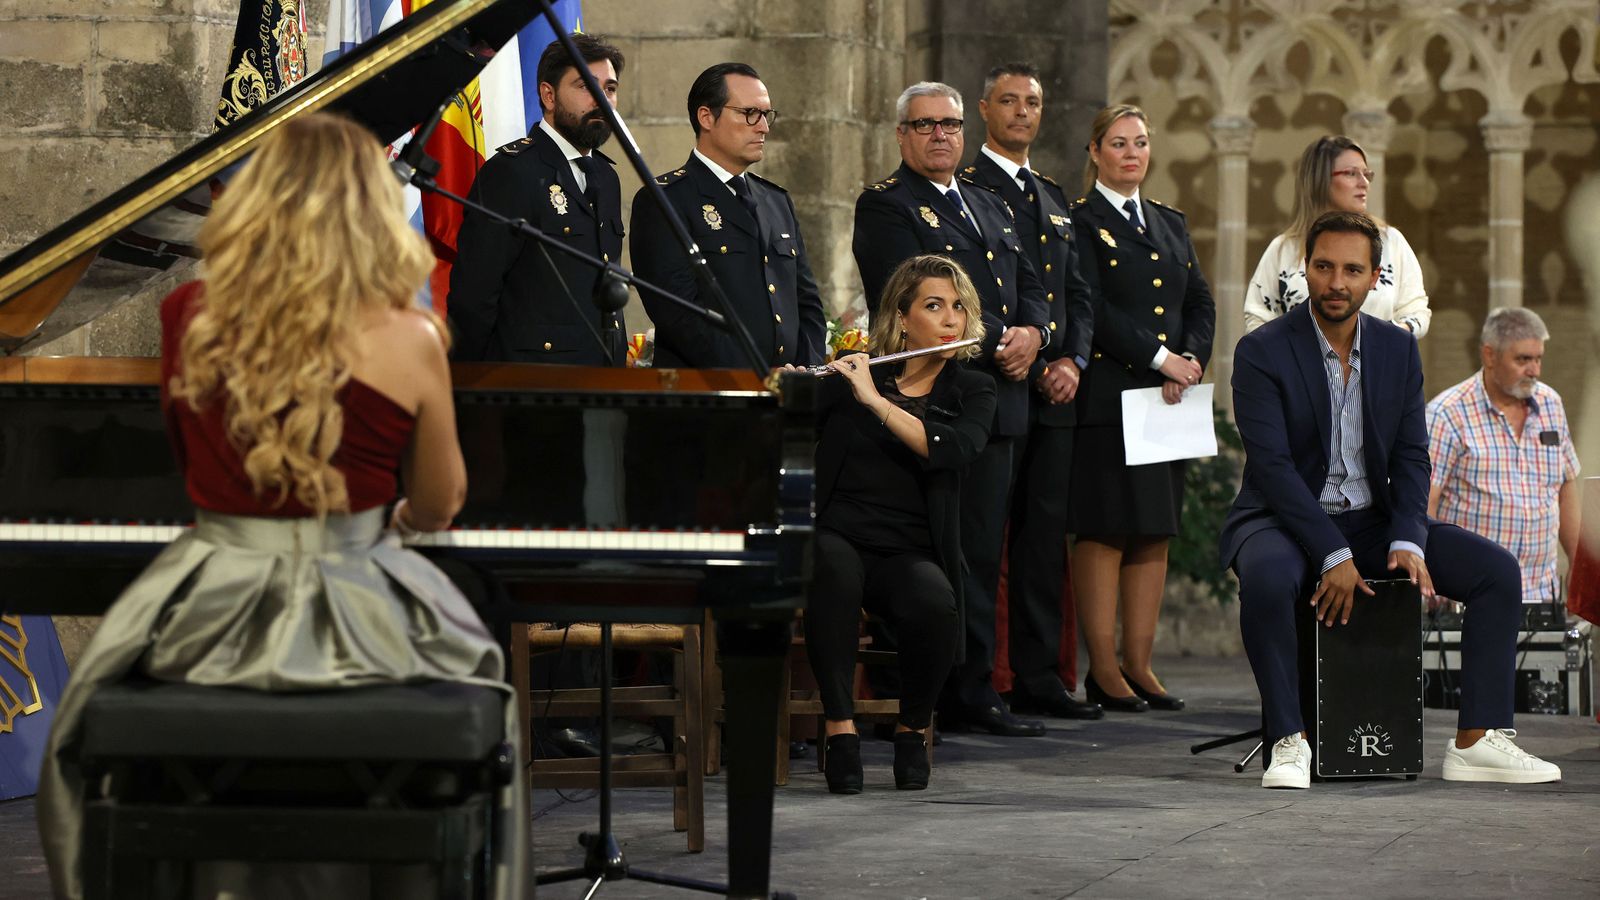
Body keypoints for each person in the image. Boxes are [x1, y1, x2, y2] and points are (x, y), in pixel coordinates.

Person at [36, 113, 529, 898]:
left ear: (254, 203)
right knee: (488, 680)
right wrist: (388, 523)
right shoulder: (413, 336)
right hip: (362, 603)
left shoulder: (187, 315)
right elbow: (440, 506)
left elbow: (187, 460)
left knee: (82, 720)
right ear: (372, 210)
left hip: (214, 599)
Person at [1222, 210, 1561, 789]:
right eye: (1323, 267)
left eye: (1352, 270)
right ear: (1305, 269)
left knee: (1496, 572)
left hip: (1372, 520)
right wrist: (1332, 552)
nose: (1336, 282)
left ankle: (1477, 741)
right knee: (1269, 577)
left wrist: (1408, 537)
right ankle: (1289, 739)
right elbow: (1274, 471)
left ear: (1375, 276)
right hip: (1280, 519)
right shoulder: (1262, 351)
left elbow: (1411, 456)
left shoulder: (1398, 351)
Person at [852, 81, 1050, 737]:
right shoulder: (886, 207)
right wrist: (1002, 337)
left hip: (999, 397)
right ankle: (918, 691)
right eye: (925, 125)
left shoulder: (990, 203)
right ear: (902, 135)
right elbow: (907, 292)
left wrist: (1037, 334)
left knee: (981, 554)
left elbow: (1029, 286)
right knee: (933, 552)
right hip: (929, 399)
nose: (940, 135)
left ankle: (974, 688)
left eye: (950, 124)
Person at [805, 254, 995, 793]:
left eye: (959, 307)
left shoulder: (972, 388)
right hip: (839, 531)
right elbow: (786, 423)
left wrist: (873, 401)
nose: (951, 319)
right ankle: (840, 731)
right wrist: (796, 387)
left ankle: (912, 729)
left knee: (935, 605)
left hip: (910, 547)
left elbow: (951, 449)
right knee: (833, 573)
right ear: (903, 317)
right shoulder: (859, 374)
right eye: (934, 306)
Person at [958, 62, 1099, 720]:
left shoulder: (1051, 194)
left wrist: (1070, 356)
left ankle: (1042, 675)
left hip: (1056, 391)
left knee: (1043, 542)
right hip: (1000, 383)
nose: (1021, 112)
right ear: (984, 109)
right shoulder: (966, 188)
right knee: (986, 541)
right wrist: (1028, 350)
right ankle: (984, 676)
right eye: (1008, 101)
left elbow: (1078, 291)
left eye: (1032, 103)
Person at [1067, 103, 1214, 713]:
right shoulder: (1079, 220)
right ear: (1096, 152)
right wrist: (1160, 359)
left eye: (1142, 142)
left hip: (1169, 397)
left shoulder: (1170, 222)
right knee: (1105, 528)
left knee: (1154, 529)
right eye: (1120, 143)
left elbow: (1199, 301)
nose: (1132, 153)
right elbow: (1092, 307)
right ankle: (1102, 669)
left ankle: (1140, 664)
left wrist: (1192, 358)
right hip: (1110, 395)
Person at [629, 62, 827, 368]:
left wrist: (805, 369)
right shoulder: (666, 199)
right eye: (749, 114)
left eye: (766, 115)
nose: (763, 127)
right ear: (706, 117)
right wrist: (756, 374)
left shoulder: (776, 200)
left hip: (788, 392)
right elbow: (678, 313)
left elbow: (807, 302)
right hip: (711, 394)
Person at [449, 34, 629, 364]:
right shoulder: (512, 172)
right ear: (549, 95)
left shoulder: (605, 177)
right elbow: (474, 297)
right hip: (533, 383)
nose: (602, 100)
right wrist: (474, 392)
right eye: (586, 87)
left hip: (604, 377)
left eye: (610, 89)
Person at [1427, 307, 1579, 605]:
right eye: (1523, 359)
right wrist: (1430, 575)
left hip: (1540, 594)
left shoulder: (1551, 405)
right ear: (1489, 355)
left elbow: (1565, 488)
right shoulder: (1446, 415)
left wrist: (1578, 565)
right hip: (1469, 597)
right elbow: (1423, 503)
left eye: (1538, 359)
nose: (1534, 370)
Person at [1244, 134, 1430, 337]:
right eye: (1351, 174)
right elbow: (1257, 317)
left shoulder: (1390, 241)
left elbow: (1416, 310)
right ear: (1320, 180)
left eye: (1367, 174)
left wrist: (1384, 342)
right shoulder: (1283, 249)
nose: (1364, 183)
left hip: (1378, 365)